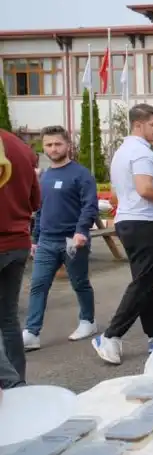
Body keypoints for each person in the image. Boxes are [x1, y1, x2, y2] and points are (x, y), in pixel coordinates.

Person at [93, 104, 153, 365]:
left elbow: (123, 192)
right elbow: (145, 188)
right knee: (143, 283)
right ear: (138, 124)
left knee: (144, 282)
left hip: (128, 221)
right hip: (145, 223)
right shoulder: (142, 153)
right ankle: (110, 336)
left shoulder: (122, 152)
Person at [22, 126, 98, 350]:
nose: (53, 149)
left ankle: (88, 321)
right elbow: (39, 209)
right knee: (38, 285)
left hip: (72, 241)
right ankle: (32, 332)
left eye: (57, 144)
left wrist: (81, 231)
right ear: (43, 147)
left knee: (80, 282)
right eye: (48, 145)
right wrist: (35, 238)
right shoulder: (44, 176)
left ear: (67, 145)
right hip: (46, 240)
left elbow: (89, 205)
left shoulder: (81, 174)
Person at [0, 129, 40, 384]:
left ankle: (9, 382)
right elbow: (36, 200)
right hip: (17, 242)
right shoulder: (18, 146)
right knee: (8, 318)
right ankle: (18, 385)